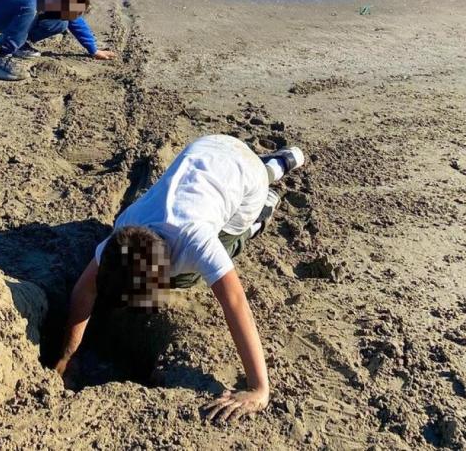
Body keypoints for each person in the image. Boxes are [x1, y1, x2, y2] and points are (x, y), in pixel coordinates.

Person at [54, 134, 305, 422]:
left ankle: (261, 214)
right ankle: (277, 164)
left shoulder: (196, 241)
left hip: (243, 184)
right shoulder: (123, 231)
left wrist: (259, 388)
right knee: (253, 171)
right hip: (210, 149)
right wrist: (67, 357)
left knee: (189, 277)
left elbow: (235, 302)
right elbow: (85, 289)